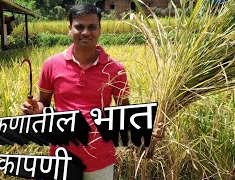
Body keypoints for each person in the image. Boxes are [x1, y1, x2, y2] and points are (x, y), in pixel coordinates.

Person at [21, 4, 163, 180]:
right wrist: (36, 109)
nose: (86, 32)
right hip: (62, 156)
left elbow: (124, 114)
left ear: (100, 30)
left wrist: (146, 129)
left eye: (92, 27)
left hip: (100, 159)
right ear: (69, 29)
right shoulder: (51, 65)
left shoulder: (115, 69)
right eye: (79, 27)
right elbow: (44, 104)